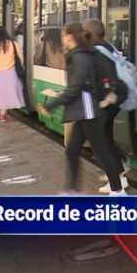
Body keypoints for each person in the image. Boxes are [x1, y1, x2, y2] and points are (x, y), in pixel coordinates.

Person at [39, 21, 125, 196]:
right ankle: (73, 190)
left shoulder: (81, 57)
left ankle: (118, 191)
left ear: (70, 36)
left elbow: (75, 88)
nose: (61, 39)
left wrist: (51, 105)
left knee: (101, 152)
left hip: (90, 111)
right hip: (85, 110)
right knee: (72, 150)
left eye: (63, 35)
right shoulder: (80, 54)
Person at [83, 19, 130, 194]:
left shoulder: (96, 52)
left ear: (89, 33)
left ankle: (117, 183)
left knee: (102, 143)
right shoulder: (109, 48)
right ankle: (119, 176)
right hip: (114, 100)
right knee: (107, 139)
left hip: (106, 101)